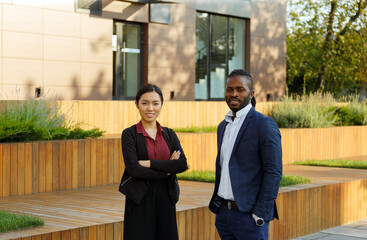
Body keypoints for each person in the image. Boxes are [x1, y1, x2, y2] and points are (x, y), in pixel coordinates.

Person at [209, 69, 283, 240]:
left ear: (251, 93)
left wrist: (259, 214)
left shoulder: (264, 124)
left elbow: (274, 172)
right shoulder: (223, 126)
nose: (234, 93)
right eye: (229, 89)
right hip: (224, 215)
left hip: (250, 218)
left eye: (240, 89)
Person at [119, 84, 188, 240]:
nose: (150, 108)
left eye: (155, 103)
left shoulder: (169, 134)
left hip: (166, 196)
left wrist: (149, 163)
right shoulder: (129, 134)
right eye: (145, 103)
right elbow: (134, 170)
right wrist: (168, 169)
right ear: (136, 104)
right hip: (140, 198)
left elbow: (182, 164)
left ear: (161, 105)